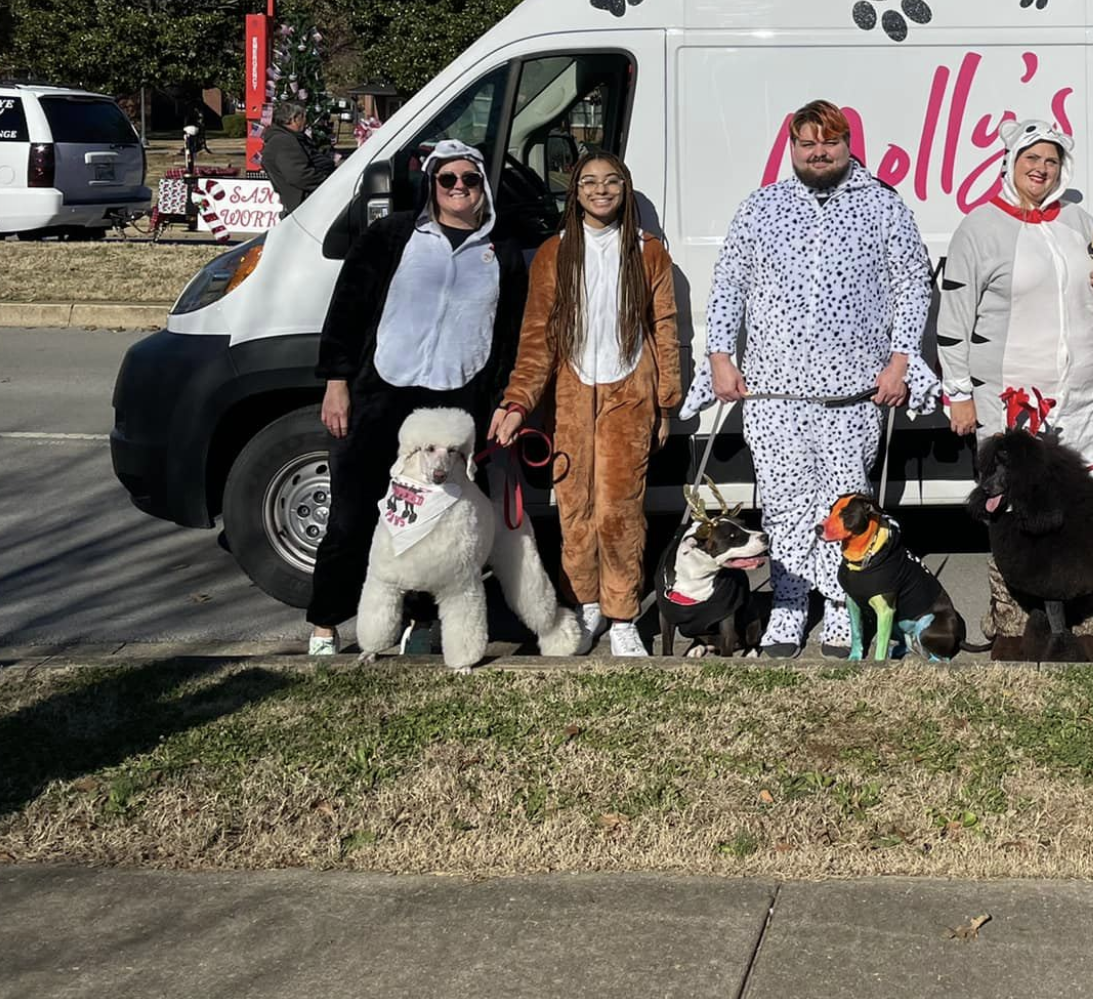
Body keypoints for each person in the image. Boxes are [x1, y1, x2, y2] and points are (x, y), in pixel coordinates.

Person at [681, 99, 939, 656]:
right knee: (783, 503)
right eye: (807, 142)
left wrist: (900, 361)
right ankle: (790, 604)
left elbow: (913, 287)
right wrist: (721, 356)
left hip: (852, 393)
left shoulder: (884, 207)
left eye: (831, 142)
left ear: (848, 145)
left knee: (847, 505)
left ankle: (848, 607)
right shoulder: (761, 208)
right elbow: (729, 286)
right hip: (775, 392)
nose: (819, 152)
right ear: (792, 147)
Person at [306, 140, 529, 656]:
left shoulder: (502, 253)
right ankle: (325, 621)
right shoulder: (392, 235)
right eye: (446, 180)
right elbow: (348, 308)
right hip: (381, 392)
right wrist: (336, 381)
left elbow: (512, 333)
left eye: (468, 180)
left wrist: (504, 402)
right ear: (431, 184)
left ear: (482, 187)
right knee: (354, 512)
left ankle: (422, 623)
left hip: (455, 404)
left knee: (441, 522)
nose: (458, 189)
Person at [936, 118, 1093, 642]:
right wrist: (958, 394)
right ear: (1011, 163)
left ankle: (1081, 607)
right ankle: (1013, 611)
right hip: (1014, 398)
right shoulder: (979, 228)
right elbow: (953, 321)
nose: (1041, 170)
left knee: (1083, 498)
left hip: (1084, 394)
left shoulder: (1080, 220)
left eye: (1050, 161)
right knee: (1012, 502)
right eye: (1031, 160)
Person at [491, 153, 682, 658]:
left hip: (629, 392)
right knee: (575, 509)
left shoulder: (649, 253)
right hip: (573, 394)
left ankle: (621, 614)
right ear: (574, 191)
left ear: (626, 187)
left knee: (620, 509)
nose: (601, 190)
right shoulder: (554, 254)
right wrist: (517, 403)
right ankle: (584, 603)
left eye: (612, 181)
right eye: (590, 182)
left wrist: (666, 402)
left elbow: (664, 329)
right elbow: (537, 339)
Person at [263, 102, 337, 216]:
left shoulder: (292, 137)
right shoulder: (283, 141)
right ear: (293, 119)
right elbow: (299, 175)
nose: (306, 122)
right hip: (306, 203)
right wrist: (329, 183)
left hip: (312, 199)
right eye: (303, 117)